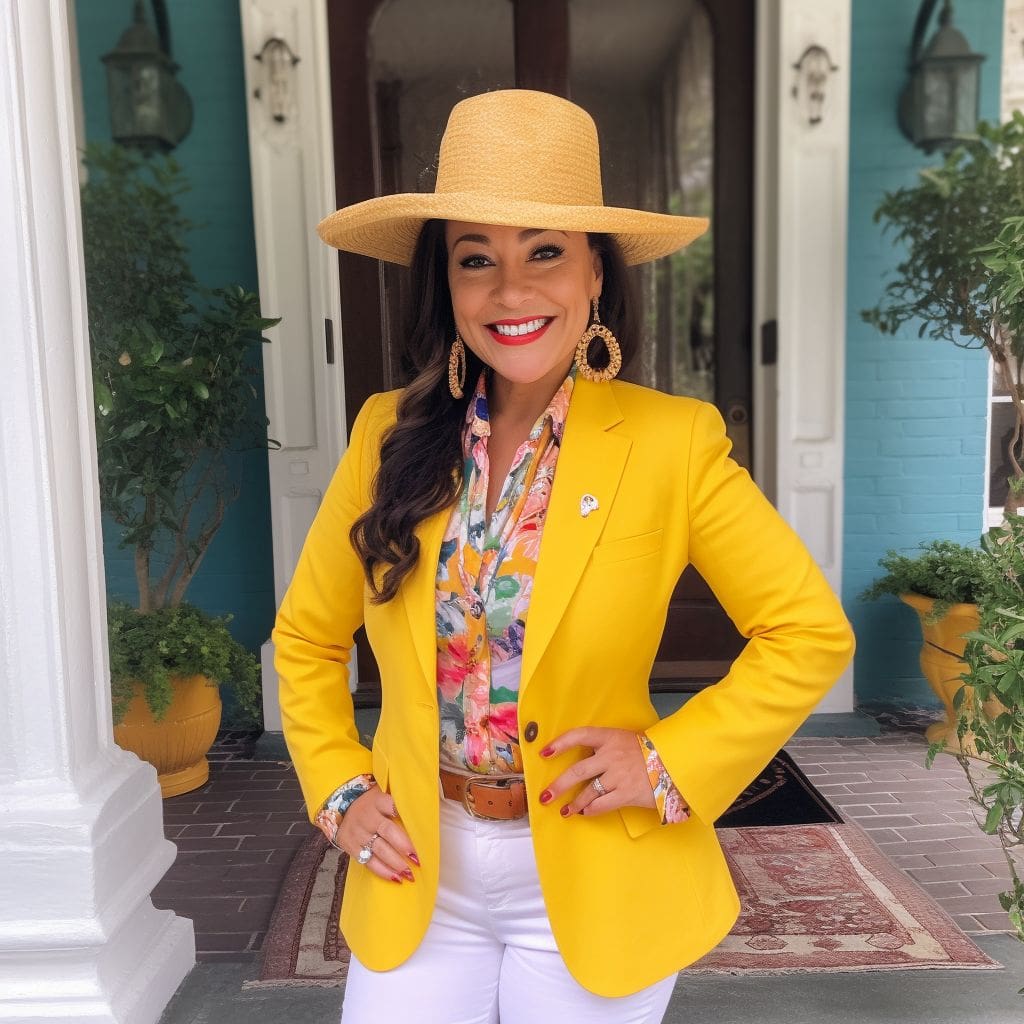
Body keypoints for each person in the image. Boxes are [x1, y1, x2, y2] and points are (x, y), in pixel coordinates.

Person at [272, 89, 856, 1024]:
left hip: (594, 868)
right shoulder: (387, 436)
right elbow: (307, 639)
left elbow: (809, 633)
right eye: (476, 259)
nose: (511, 292)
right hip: (420, 867)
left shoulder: (673, 442)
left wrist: (669, 759)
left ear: (594, 272)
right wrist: (337, 784)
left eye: (544, 251)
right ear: (446, 284)